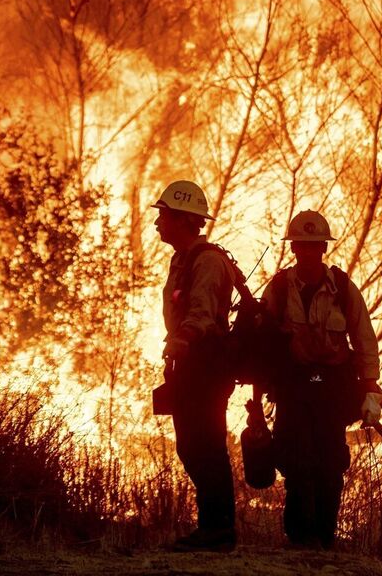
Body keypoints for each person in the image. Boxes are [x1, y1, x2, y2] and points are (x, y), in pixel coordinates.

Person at [260, 209, 382, 550]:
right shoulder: (279, 289)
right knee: (294, 461)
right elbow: (261, 338)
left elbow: (364, 339)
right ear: (294, 248)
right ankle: (299, 537)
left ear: (323, 249)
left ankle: (326, 537)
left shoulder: (344, 288)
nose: (308, 251)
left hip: (331, 391)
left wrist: (370, 386)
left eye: (315, 245)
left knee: (330, 463)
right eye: (302, 244)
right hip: (293, 389)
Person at [152, 179, 237, 552]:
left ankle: (218, 530)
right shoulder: (182, 260)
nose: (158, 223)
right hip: (189, 363)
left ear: (186, 220)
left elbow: (202, 312)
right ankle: (213, 528)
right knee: (190, 445)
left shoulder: (208, 262)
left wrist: (184, 337)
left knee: (206, 444)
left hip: (207, 364)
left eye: (165, 216)